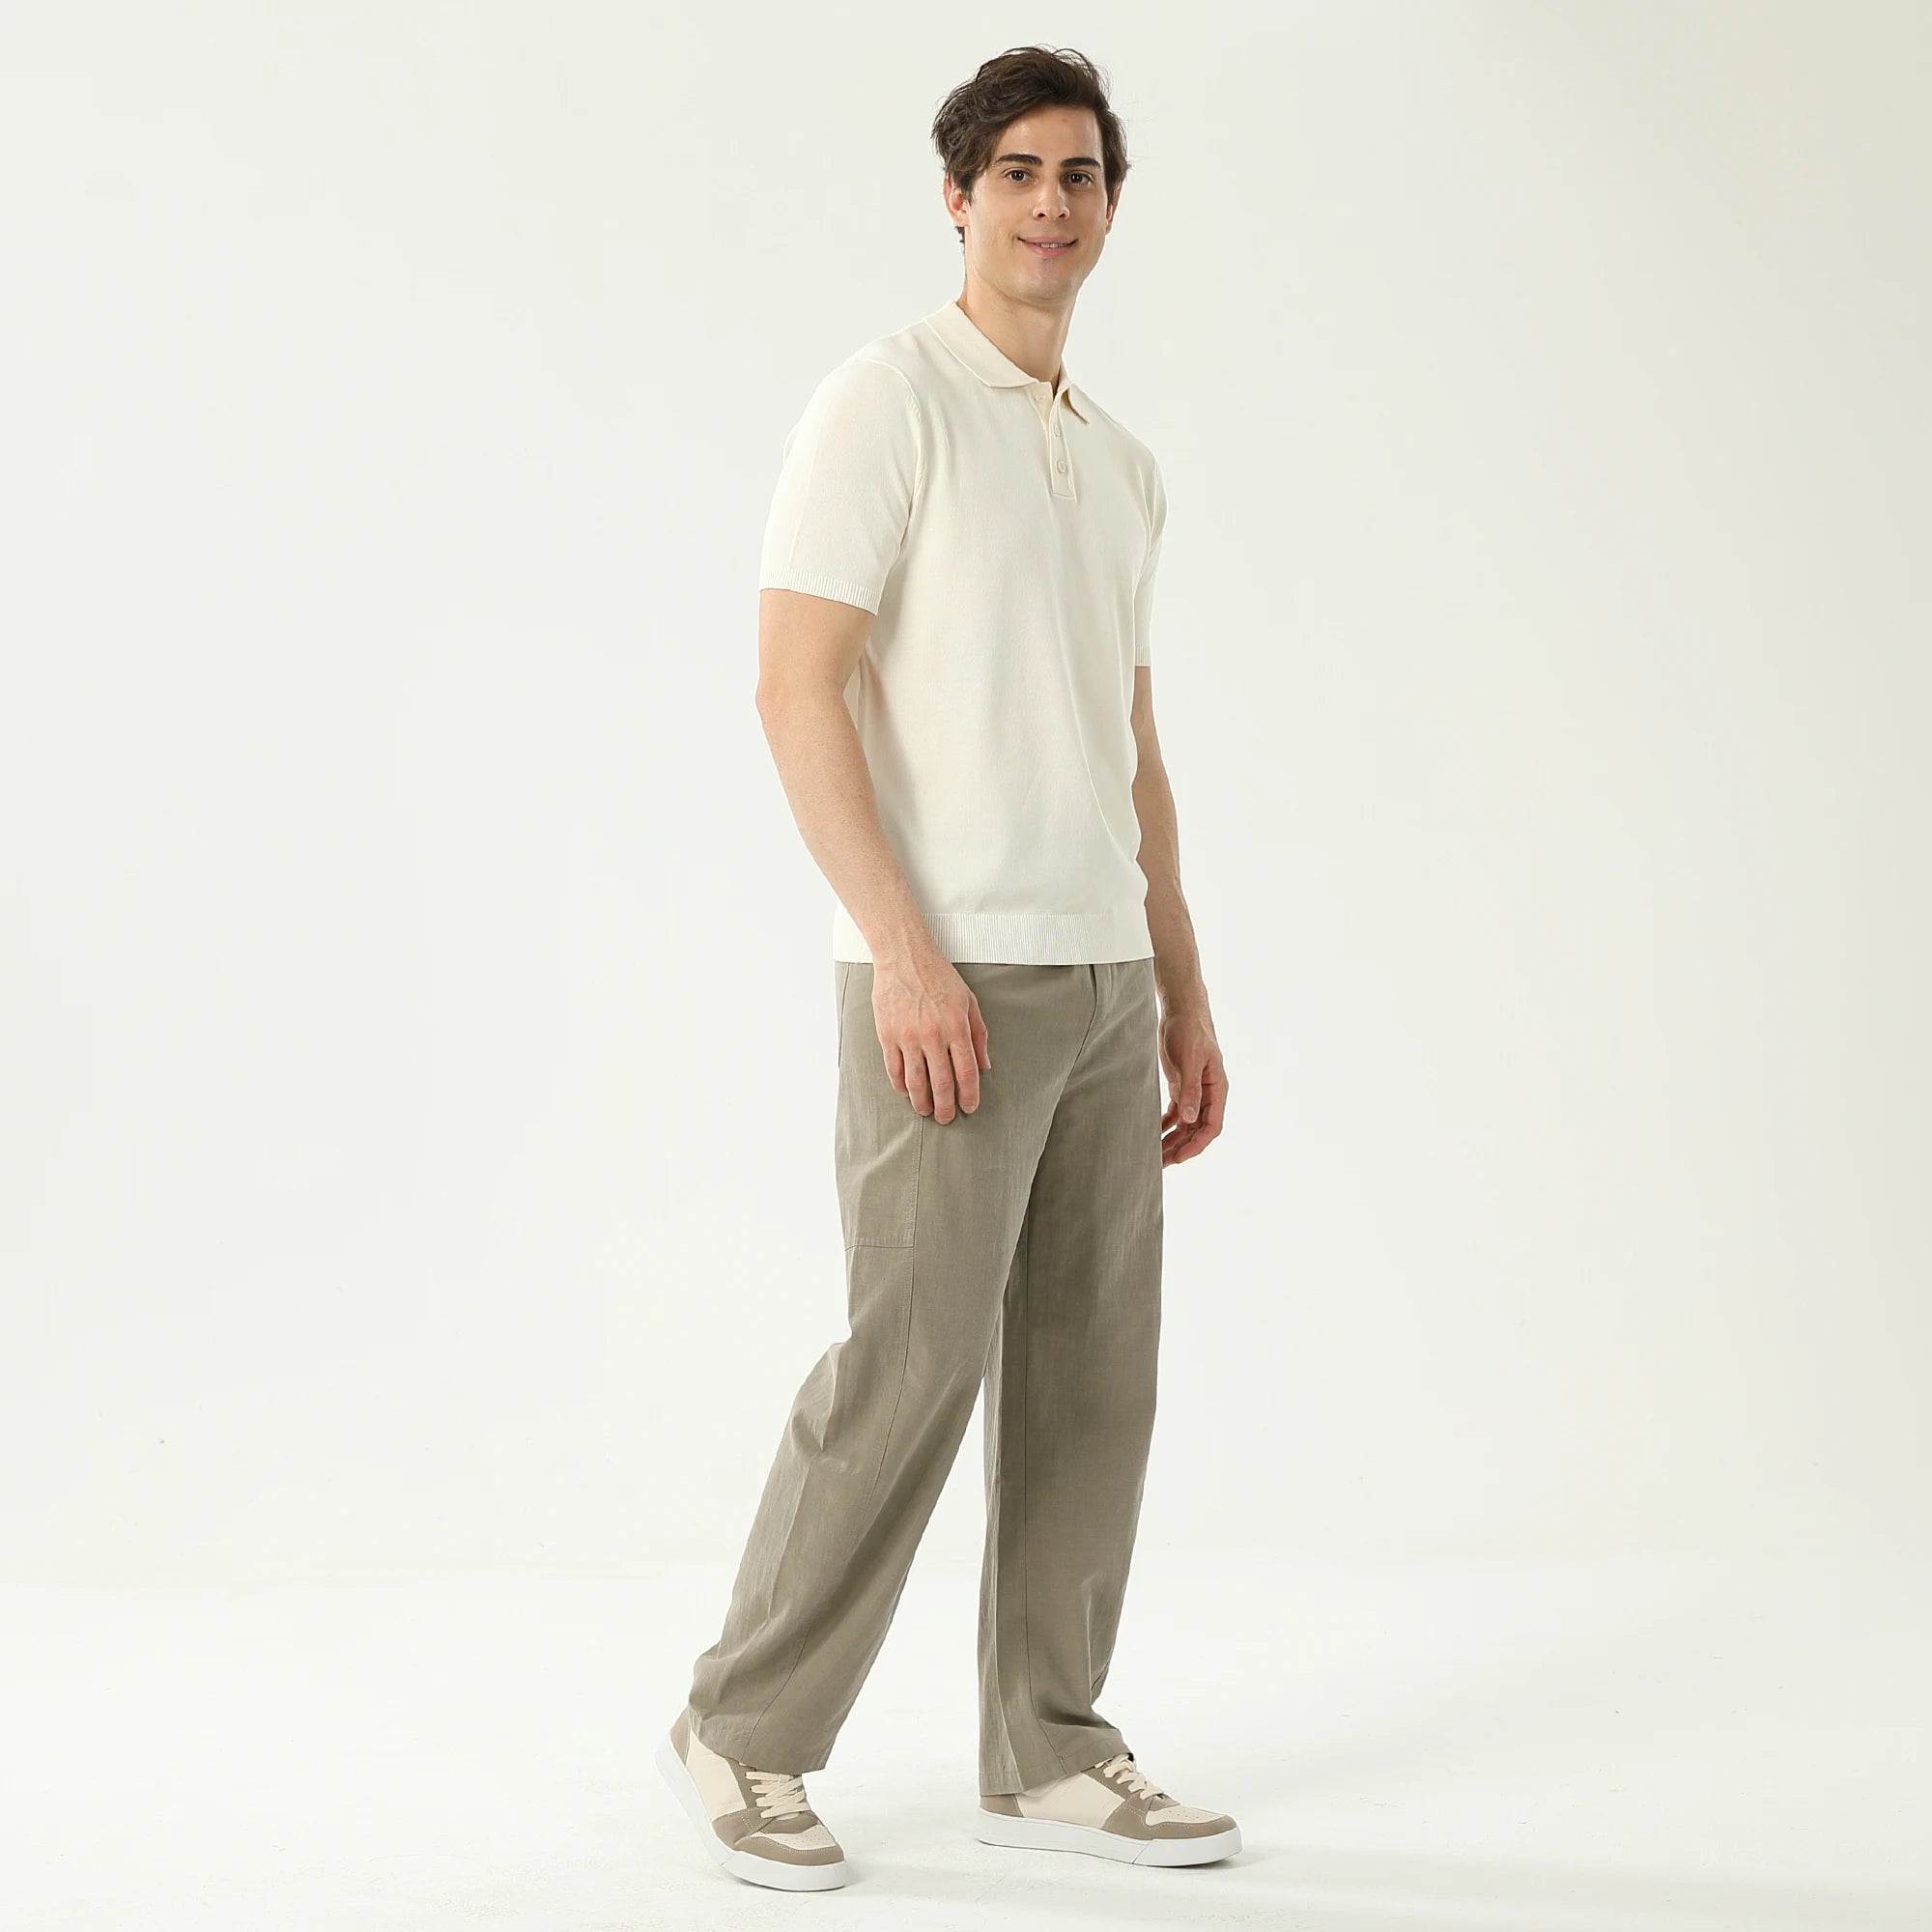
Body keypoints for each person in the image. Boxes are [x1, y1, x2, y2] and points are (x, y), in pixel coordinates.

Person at [653, 45, 1235, 1892]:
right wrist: (903, 956)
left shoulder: (1120, 463)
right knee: (908, 1371)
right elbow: (792, 685)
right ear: (960, 198)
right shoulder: (885, 401)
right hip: (949, 981)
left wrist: (1181, 985)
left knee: (1091, 1380)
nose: (1051, 204)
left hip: (1103, 977)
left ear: (1113, 206)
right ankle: (741, 1728)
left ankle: (1048, 1747)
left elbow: (1131, 750)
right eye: (1019, 173)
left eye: (1082, 175)